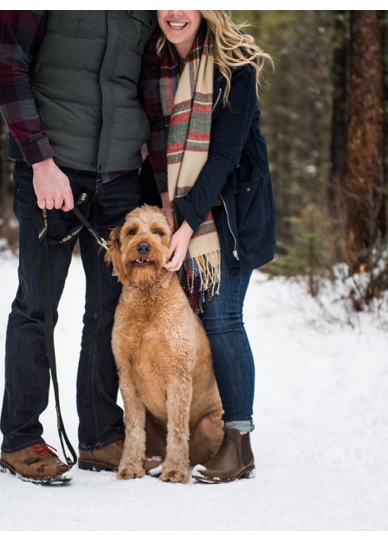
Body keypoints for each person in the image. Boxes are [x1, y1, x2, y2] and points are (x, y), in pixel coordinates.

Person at [0, 10, 155, 484]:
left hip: (121, 178)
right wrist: (40, 161)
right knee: (36, 308)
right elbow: (5, 68)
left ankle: (101, 436)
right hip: (51, 172)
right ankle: (20, 439)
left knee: (109, 311)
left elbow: (147, 87)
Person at [141, 10, 276, 483]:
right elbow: (152, 148)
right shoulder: (155, 63)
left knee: (222, 320)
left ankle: (239, 444)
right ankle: (187, 433)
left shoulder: (234, 63)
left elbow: (223, 155)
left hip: (229, 220)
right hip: (176, 216)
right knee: (190, 326)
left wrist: (184, 224)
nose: (176, 12)